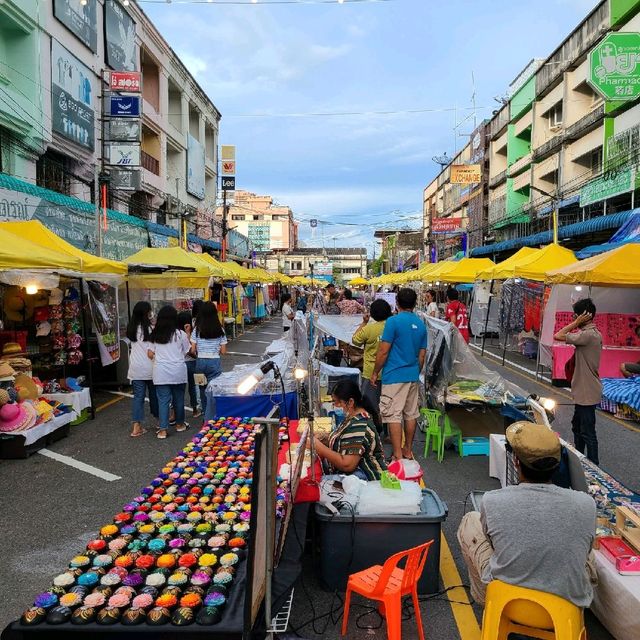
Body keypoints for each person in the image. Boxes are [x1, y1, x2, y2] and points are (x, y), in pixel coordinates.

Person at [457, 421, 596, 607]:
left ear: (516, 462)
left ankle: (484, 597)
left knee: (470, 521)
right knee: (587, 547)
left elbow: (493, 543)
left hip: (509, 601)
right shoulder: (586, 503)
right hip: (566, 604)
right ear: (557, 464)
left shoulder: (492, 501)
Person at [371, 288, 427, 462]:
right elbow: (422, 355)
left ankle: (396, 454)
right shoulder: (421, 324)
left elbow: (383, 351)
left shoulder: (393, 322)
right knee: (411, 414)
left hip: (394, 375)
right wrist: (414, 371)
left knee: (393, 414)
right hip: (412, 375)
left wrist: (375, 372)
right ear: (415, 303)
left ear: (397, 303)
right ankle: (408, 450)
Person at [554, 298, 603, 464]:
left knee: (588, 431)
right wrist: (578, 321)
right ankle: (580, 458)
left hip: (587, 390)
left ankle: (594, 466)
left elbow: (558, 335)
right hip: (585, 388)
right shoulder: (591, 334)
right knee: (578, 426)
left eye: (576, 315)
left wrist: (576, 322)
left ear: (583, 316)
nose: (574, 317)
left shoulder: (588, 335)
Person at [310, 380, 387, 481]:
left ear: (350, 402)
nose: (335, 406)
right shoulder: (352, 417)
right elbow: (344, 440)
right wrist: (325, 439)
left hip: (365, 477)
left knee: (318, 483)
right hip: (354, 473)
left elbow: (347, 464)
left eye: (337, 402)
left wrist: (319, 447)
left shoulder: (360, 425)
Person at [148, 305, 190, 439]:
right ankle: (179, 424)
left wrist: (158, 358)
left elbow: (150, 353)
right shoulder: (180, 334)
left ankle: (163, 430)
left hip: (161, 371)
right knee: (178, 399)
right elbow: (187, 351)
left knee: (163, 400)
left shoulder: (154, 334)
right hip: (178, 370)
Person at [352, 298, 393, 431]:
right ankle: (387, 433)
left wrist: (364, 323)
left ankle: (372, 431)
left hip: (370, 373)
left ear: (373, 314)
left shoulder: (369, 329)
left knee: (369, 404)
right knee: (389, 405)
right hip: (389, 372)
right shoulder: (393, 327)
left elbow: (355, 340)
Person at [126, 301, 158, 437]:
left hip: (135, 367)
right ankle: (160, 421)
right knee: (155, 396)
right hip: (150, 367)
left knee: (138, 397)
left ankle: (136, 427)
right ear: (146, 313)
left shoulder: (131, 329)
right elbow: (152, 351)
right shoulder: (149, 329)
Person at [191, 301, 227, 419]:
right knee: (214, 389)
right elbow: (223, 351)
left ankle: (205, 416)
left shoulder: (197, 329)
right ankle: (212, 416)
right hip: (214, 362)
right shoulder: (219, 328)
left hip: (200, 361)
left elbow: (192, 350)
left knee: (202, 390)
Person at [178, 310, 200, 419]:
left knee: (180, 389)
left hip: (181, 363)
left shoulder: (176, 333)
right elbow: (191, 351)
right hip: (191, 363)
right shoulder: (190, 334)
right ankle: (195, 410)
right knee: (192, 387)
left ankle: (177, 412)